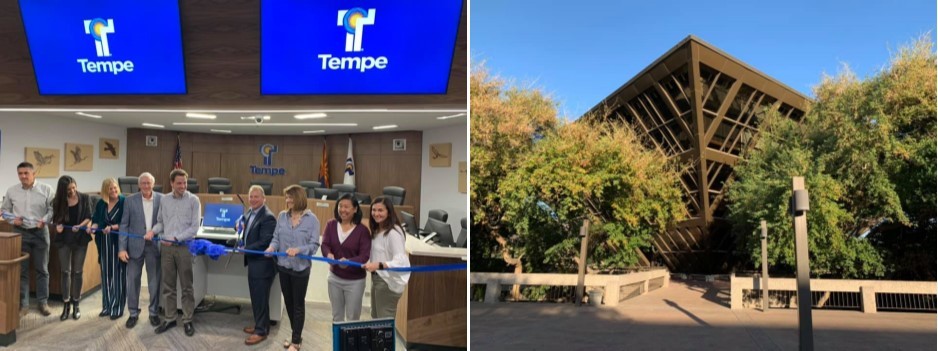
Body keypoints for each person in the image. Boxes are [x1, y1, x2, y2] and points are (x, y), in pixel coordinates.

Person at [265, 185, 320, 351]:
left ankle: (296, 341)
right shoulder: (282, 216)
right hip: (283, 266)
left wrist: (299, 250)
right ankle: (296, 334)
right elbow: (276, 238)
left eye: (291, 197)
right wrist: (271, 248)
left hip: (301, 269)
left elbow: (314, 245)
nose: (288, 200)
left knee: (298, 304)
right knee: (288, 303)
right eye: (286, 197)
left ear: (300, 198)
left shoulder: (312, 220)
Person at [151, 169, 201, 337]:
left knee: (187, 286)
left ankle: (187, 320)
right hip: (166, 248)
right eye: (179, 183)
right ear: (171, 183)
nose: (182, 186)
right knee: (168, 286)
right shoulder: (164, 200)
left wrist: (175, 238)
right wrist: (153, 231)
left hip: (185, 247)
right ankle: (170, 318)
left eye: (185, 183)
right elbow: (160, 223)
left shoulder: (194, 200)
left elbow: (194, 228)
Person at [1, 162, 54, 317]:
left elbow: (52, 209)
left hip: (40, 233)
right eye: (20, 173)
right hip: (20, 232)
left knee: (42, 269)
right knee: (22, 270)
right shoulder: (12, 191)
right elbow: (4, 211)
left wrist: (44, 220)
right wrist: (12, 220)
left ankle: (43, 303)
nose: (23, 176)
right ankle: (23, 305)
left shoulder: (46, 189)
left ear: (34, 174)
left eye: (26, 173)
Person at [118, 172, 163, 329]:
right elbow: (124, 225)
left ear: (153, 183)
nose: (146, 186)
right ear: (139, 185)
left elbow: (163, 221)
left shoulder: (162, 199)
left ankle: (153, 313)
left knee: (154, 282)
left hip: (154, 246)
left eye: (148, 183)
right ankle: (133, 313)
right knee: (133, 282)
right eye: (143, 183)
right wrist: (122, 248)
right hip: (134, 247)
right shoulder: (130, 200)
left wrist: (155, 232)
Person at [320, 193, 371, 322]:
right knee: (337, 317)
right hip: (334, 278)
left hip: (355, 282)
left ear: (355, 209)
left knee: (353, 317)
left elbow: (364, 255)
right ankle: (339, 343)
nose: (342, 210)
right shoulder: (331, 224)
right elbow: (325, 244)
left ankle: (351, 343)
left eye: (347, 207)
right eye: (340, 206)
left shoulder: (362, 231)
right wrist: (328, 254)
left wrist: (349, 262)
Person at [50, 175, 93, 321]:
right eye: (69, 190)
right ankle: (66, 303)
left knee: (78, 271)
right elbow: (55, 219)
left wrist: (81, 226)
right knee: (65, 272)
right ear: (63, 190)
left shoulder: (85, 198)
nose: (73, 191)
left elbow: (89, 216)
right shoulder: (57, 201)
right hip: (64, 240)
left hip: (80, 239)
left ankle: (76, 303)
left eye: (74, 187)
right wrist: (58, 226)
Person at [239, 185, 277, 346]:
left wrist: (245, 249)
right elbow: (245, 224)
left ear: (263, 199)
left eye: (256, 197)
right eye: (251, 196)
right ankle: (261, 325)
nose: (253, 199)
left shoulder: (268, 217)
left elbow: (265, 243)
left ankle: (261, 331)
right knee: (257, 297)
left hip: (263, 265)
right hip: (254, 263)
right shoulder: (250, 212)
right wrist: (239, 223)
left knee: (260, 298)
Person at [363, 196, 410, 319]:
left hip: (387, 282)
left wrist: (378, 265)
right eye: (374, 210)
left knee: (384, 324)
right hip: (378, 279)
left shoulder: (393, 233)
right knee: (376, 319)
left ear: (389, 212)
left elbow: (400, 261)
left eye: (380, 210)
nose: (376, 213)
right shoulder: (378, 229)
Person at [89, 177, 126, 320]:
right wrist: (93, 227)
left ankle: (117, 308)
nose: (113, 190)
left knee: (118, 276)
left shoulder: (124, 202)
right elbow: (97, 220)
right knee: (106, 274)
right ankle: (107, 306)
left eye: (115, 187)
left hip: (118, 244)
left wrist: (113, 227)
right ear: (105, 190)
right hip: (104, 244)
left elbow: (127, 222)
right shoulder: (101, 203)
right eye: (110, 188)